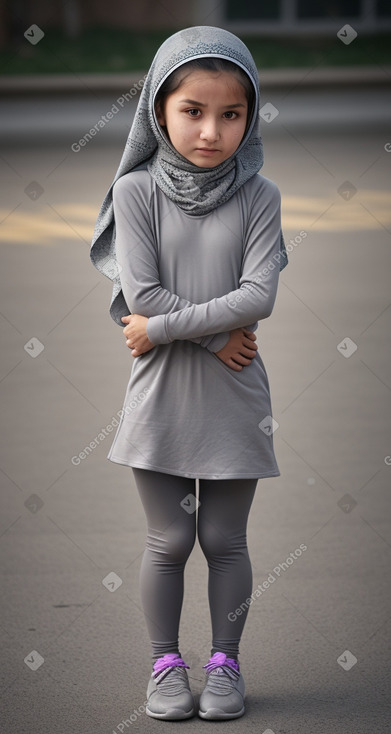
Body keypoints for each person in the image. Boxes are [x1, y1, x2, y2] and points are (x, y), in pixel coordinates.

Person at [90, 25, 288, 721]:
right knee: (169, 539)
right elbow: (141, 295)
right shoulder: (138, 191)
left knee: (223, 540)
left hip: (235, 395)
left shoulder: (259, 196)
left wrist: (165, 332)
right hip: (165, 394)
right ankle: (166, 665)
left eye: (230, 114)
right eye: (192, 111)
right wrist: (212, 338)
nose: (210, 131)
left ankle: (226, 665)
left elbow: (257, 297)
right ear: (157, 112)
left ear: (249, 116)